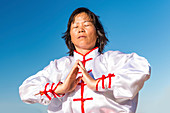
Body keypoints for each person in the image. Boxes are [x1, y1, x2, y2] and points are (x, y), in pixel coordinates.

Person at [19, 7, 151, 113]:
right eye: (75, 27)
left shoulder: (112, 59)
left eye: (86, 25)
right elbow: (25, 90)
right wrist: (61, 88)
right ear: (70, 36)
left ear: (98, 32)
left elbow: (141, 68)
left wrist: (97, 84)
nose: (81, 29)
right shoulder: (58, 66)